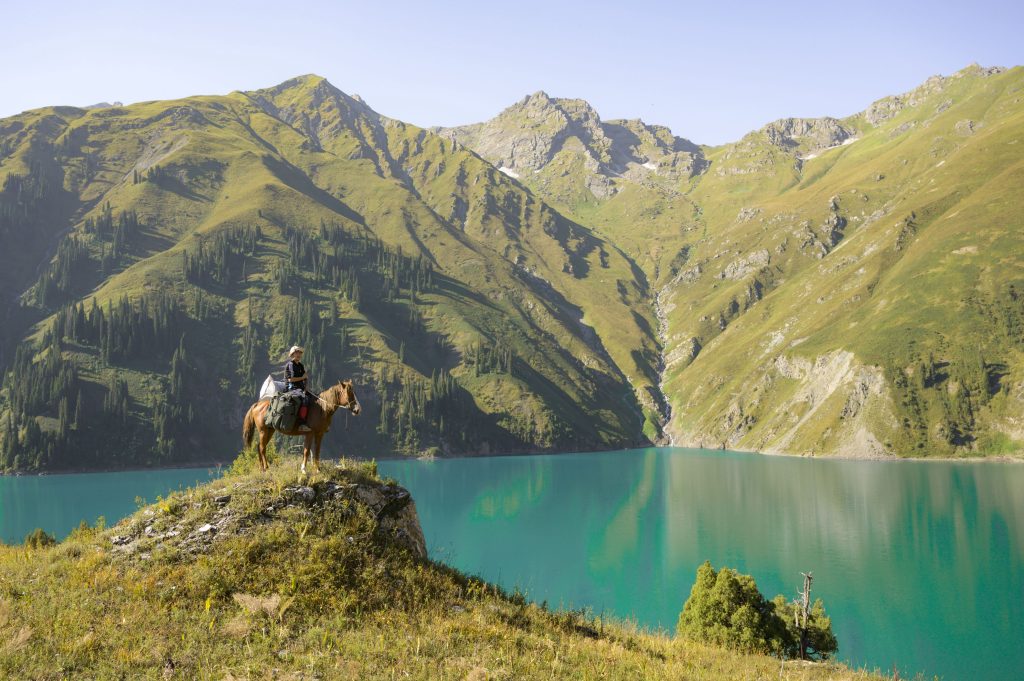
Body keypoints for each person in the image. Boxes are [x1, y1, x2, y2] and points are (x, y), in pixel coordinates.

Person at [284, 345, 315, 423]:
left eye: (300, 353)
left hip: (300, 389)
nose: (299, 355)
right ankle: (301, 423)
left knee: (313, 399)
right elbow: (290, 379)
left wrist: (305, 388)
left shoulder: (301, 365)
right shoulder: (290, 365)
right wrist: (302, 378)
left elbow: (305, 377)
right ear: (292, 354)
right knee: (304, 399)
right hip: (291, 389)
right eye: (296, 353)